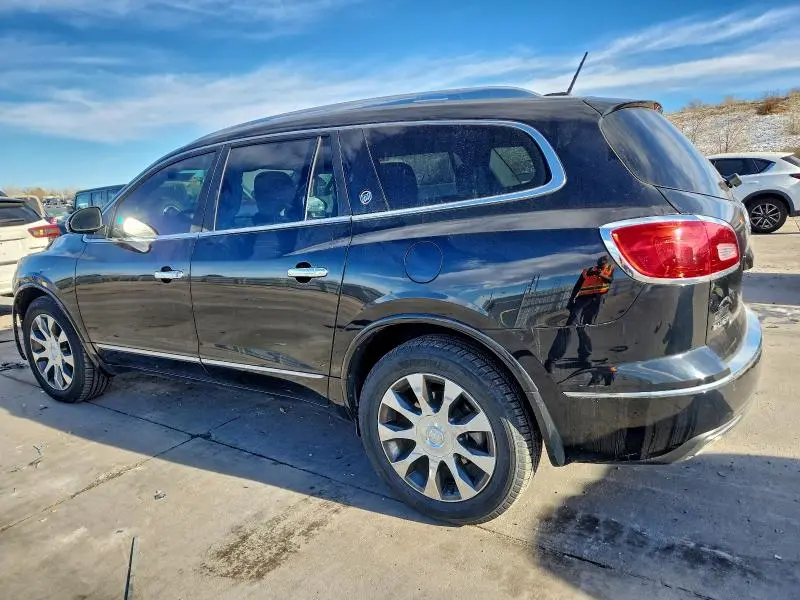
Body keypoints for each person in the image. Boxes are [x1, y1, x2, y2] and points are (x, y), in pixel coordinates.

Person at [545, 256, 615, 372]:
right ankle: (552, 360)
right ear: (598, 262)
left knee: (585, 328)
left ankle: (584, 358)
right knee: (569, 326)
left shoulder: (610, 269)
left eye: (604, 262)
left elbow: (610, 280)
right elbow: (577, 286)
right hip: (582, 300)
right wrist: (571, 300)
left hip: (597, 300)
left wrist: (600, 274)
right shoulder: (587, 271)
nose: (602, 264)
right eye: (600, 262)